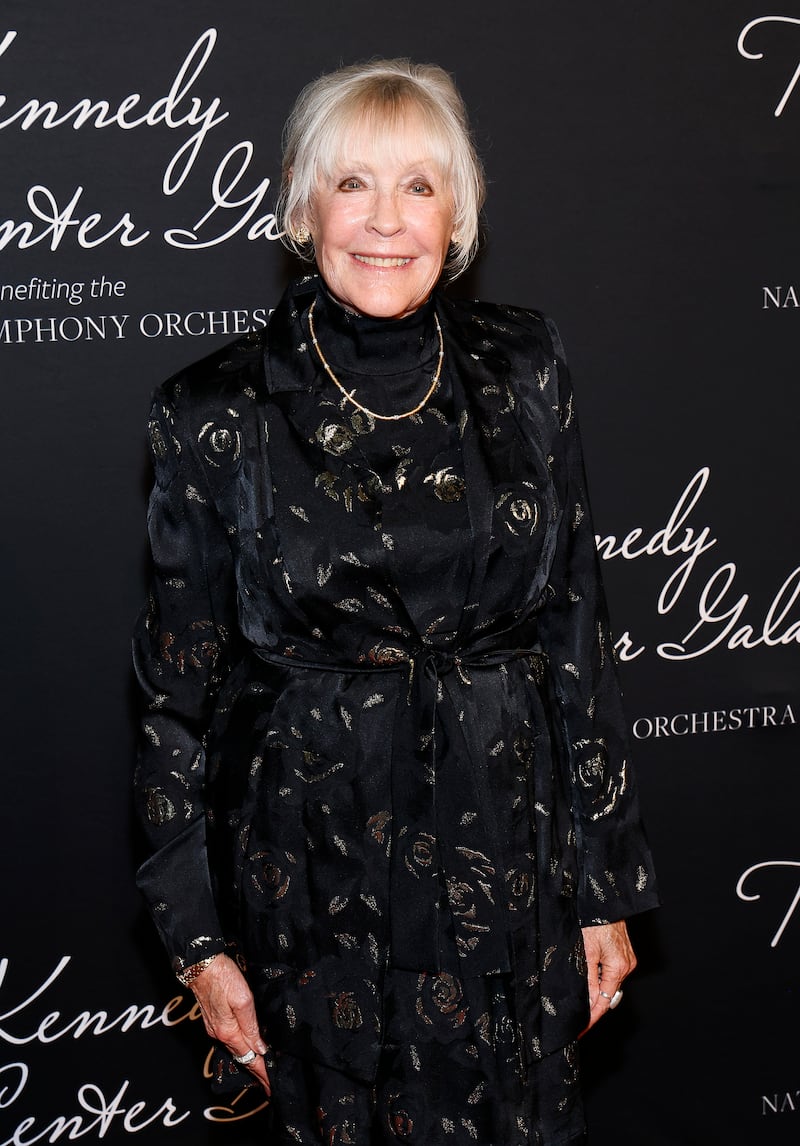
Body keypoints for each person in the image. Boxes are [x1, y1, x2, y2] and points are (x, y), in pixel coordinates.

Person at [134, 57, 658, 1146]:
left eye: (418, 185)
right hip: (309, 868)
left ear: (458, 210)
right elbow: (171, 697)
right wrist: (195, 940)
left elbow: (572, 625)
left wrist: (603, 887)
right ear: (298, 200)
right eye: (351, 184)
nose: (385, 221)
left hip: (506, 853)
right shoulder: (211, 408)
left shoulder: (523, 366)